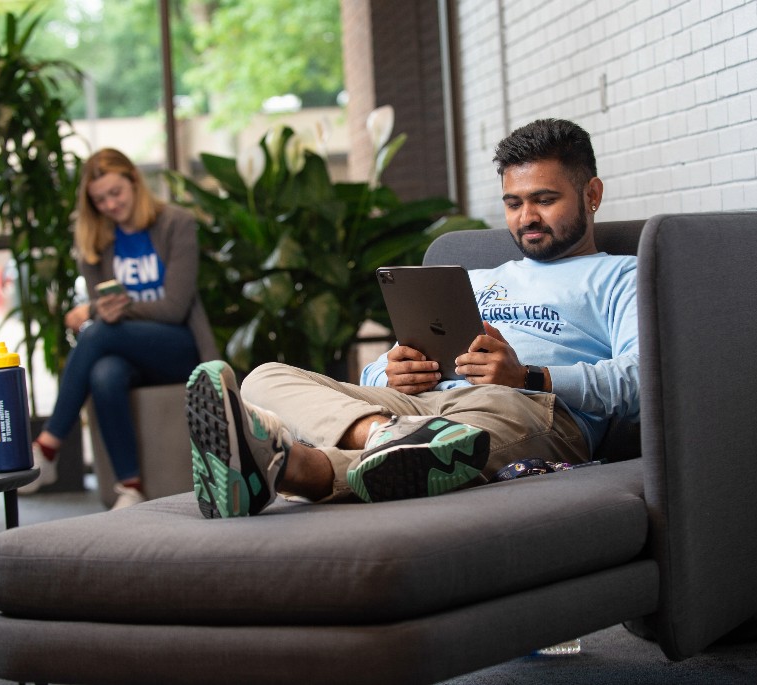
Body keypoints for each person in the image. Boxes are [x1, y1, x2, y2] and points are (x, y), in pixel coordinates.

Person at [185, 118, 639, 518]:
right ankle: (383, 434)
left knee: (444, 454)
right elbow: (374, 371)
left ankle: (288, 466)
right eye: (513, 203)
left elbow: (639, 381)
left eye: (544, 199)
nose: (527, 217)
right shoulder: (473, 279)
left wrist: (527, 375)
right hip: (421, 409)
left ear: (591, 194)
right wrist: (393, 371)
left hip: (523, 409)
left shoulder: (621, 275)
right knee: (263, 378)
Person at [26, 148, 212, 509]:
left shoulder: (176, 223)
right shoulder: (95, 241)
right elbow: (109, 315)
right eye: (100, 200)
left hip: (179, 347)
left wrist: (96, 310)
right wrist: (104, 312)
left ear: (134, 183)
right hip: (127, 349)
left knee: (96, 332)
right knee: (104, 372)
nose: (110, 204)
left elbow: (174, 308)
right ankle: (130, 486)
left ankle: (48, 445)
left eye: (116, 193)